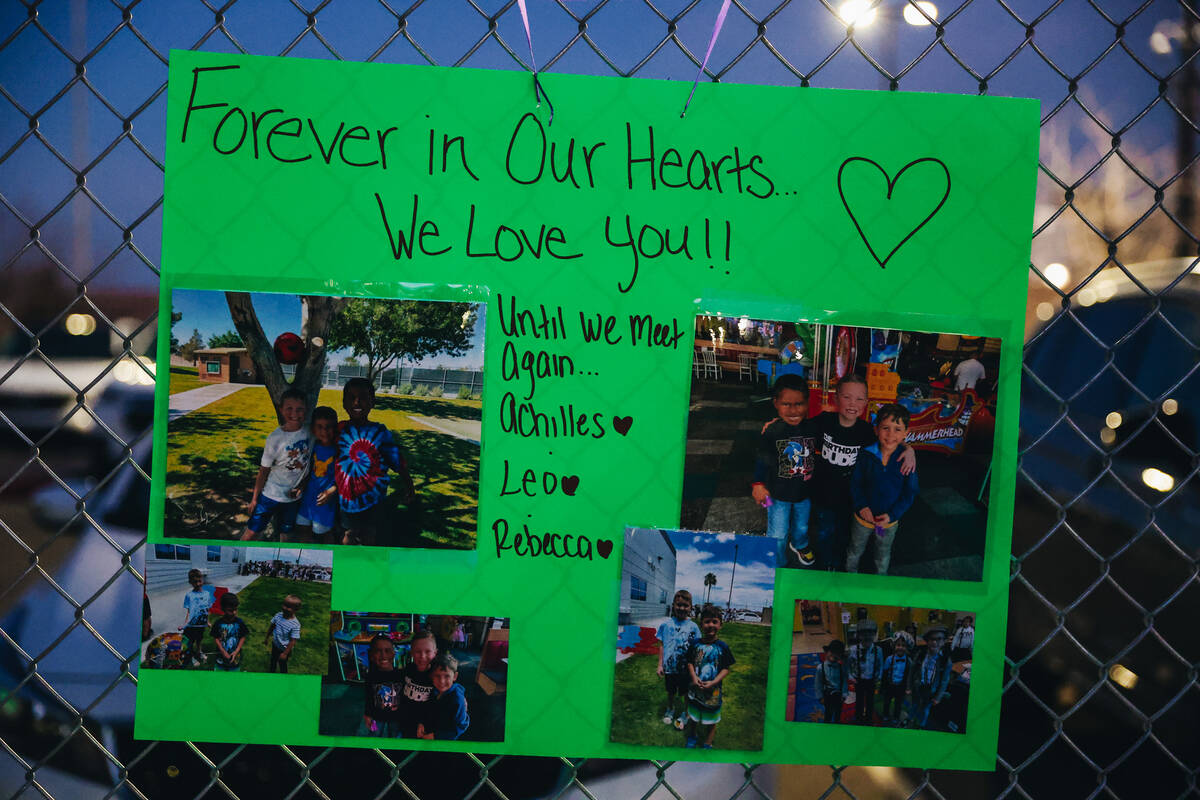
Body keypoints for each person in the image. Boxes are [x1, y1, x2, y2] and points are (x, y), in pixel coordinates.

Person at [808, 375, 915, 570]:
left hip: (852, 499)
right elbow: (798, 428)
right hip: (824, 494)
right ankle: (826, 565)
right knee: (825, 532)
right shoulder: (824, 421)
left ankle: (842, 563)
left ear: (866, 403)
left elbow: (890, 438)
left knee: (846, 534)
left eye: (859, 399)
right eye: (847, 397)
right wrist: (776, 423)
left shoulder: (866, 431)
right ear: (836, 398)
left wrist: (909, 449)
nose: (852, 403)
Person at [334, 378, 416, 546]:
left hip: (374, 499)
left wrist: (409, 486)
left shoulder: (380, 432)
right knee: (348, 534)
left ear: (373, 402)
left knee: (369, 534)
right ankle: (348, 565)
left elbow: (397, 461)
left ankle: (369, 566)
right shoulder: (339, 429)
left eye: (363, 397)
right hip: (347, 498)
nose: (357, 401)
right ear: (343, 403)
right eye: (351, 397)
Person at [752, 374, 817, 567]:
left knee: (802, 526)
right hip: (776, 494)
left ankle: (799, 544)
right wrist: (758, 484)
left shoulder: (814, 427)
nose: (793, 410)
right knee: (777, 533)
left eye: (799, 404)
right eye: (786, 404)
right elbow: (762, 459)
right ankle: (777, 561)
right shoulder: (772, 431)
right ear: (776, 403)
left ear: (807, 403)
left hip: (804, 493)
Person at [846, 403, 919, 575]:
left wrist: (893, 515)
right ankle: (849, 579)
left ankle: (880, 581)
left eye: (897, 429)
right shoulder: (865, 455)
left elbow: (910, 493)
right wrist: (861, 506)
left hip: (887, 523)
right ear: (876, 430)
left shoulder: (907, 461)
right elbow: (855, 483)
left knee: (882, 554)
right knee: (855, 550)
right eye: (885, 428)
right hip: (862, 520)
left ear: (906, 433)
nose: (891, 434)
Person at [240, 388, 312, 542]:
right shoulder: (275, 438)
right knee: (252, 532)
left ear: (306, 409)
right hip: (269, 496)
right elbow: (263, 471)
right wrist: (254, 499)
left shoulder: (311, 432)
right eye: (289, 409)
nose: (295, 413)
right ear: (281, 410)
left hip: (292, 500)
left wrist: (302, 487)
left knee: (286, 536)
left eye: (300, 409)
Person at [684, 605, 735, 749]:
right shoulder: (695, 644)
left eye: (714, 621)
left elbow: (726, 669)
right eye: (707, 621)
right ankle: (692, 736)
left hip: (713, 692)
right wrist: (694, 677)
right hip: (695, 689)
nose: (710, 625)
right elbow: (689, 662)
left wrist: (714, 682)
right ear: (701, 624)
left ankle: (708, 743)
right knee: (693, 716)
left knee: (711, 720)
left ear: (720, 625)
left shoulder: (723, 647)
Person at [656, 590, 701, 730]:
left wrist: (696, 669)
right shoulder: (666, 625)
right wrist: (660, 665)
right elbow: (662, 645)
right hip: (669, 667)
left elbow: (697, 649)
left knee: (686, 692)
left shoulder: (693, 627)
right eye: (679, 605)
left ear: (690, 607)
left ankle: (686, 714)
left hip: (685, 669)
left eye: (685, 605)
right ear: (673, 605)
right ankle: (670, 710)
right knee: (670, 691)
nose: (682, 608)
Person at [295, 405, 339, 544]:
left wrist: (331, 491)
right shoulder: (313, 446)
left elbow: (344, 479)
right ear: (313, 429)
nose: (324, 431)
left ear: (335, 428)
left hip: (325, 501)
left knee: (320, 534)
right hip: (309, 497)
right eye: (319, 427)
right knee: (301, 527)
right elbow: (309, 470)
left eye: (328, 427)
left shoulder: (338, 451)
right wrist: (302, 486)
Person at [417, 653, 470, 741]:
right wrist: (421, 723)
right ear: (431, 676)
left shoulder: (457, 700)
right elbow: (428, 710)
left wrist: (436, 736)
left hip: (445, 742)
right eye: (437, 676)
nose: (442, 681)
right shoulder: (434, 690)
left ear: (455, 676)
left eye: (447, 676)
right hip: (430, 733)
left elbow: (460, 726)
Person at [911, 626, 954, 729]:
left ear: (944, 642)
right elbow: (912, 671)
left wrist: (938, 697)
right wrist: (909, 687)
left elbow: (944, 681)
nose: (935, 642)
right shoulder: (921, 654)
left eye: (939, 639)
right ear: (927, 641)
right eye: (932, 639)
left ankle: (921, 725)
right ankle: (911, 720)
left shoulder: (945, 661)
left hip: (931, 690)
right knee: (915, 705)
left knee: (925, 709)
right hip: (918, 686)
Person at [361, 634, 404, 737]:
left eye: (387, 650)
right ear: (371, 656)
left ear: (393, 654)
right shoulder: (370, 676)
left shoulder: (401, 675)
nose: (383, 655)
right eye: (378, 651)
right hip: (376, 717)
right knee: (374, 735)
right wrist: (367, 714)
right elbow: (369, 697)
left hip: (396, 717)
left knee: (394, 737)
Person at [398, 630, 438, 737]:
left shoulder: (438, 676)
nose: (422, 656)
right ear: (411, 652)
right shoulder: (409, 668)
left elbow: (439, 704)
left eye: (428, 651)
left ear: (435, 653)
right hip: (404, 719)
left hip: (423, 726)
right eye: (418, 651)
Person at [848, 627, 884, 724]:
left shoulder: (878, 650)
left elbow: (881, 665)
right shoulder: (853, 650)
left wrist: (879, 677)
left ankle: (868, 718)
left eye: (871, 634)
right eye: (864, 635)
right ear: (859, 635)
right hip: (858, 680)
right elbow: (848, 665)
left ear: (874, 635)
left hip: (872, 680)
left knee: (870, 700)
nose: (867, 637)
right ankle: (858, 717)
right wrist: (851, 677)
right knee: (859, 700)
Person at [180, 568, 213, 667]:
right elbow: (189, 611)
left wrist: (208, 621)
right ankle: (191, 657)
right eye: (195, 582)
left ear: (202, 579)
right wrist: (185, 623)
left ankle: (199, 652)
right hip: (192, 625)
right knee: (189, 643)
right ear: (190, 582)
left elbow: (207, 610)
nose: (198, 584)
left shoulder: (207, 594)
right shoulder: (189, 595)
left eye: (199, 581)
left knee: (199, 640)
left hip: (201, 624)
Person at [210, 592, 249, 672]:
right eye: (230, 610)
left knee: (234, 678)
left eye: (235, 609)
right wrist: (223, 651)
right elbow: (216, 637)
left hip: (235, 657)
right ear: (223, 609)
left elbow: (243, 636)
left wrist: (236, 651)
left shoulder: (239, 622)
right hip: (220, 656)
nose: (234, 612)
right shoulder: (218, 623)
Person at [264, 594, 302, 673]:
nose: (284, 608)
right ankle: (271, 673)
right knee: (273, 660)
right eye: (284, 605)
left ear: (296, 609)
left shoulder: (295, 624)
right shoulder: (278, 615)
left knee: (282, 664)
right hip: (275, 645)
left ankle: (284, 677)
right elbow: (272, 626)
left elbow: (293, 641)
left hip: (285, 649)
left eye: (288, 607)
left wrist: (285, 654)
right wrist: (267, 638)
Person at [880, 636, 913, 724]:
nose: (900, 647)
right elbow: (885, 673)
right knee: (887, 702)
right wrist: (883, 686)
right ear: (894, 646)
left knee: (898, 704)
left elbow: (909, 676)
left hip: (901, 686)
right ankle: (886, 715)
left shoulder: (909, 661)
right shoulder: (889, 659)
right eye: (898, 645)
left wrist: (908, 688)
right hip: (890, 685)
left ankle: (896, 717)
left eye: (903, 645)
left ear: (907, 647)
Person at [816, 639, 849, 723]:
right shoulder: (820, 668)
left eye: (837, 654)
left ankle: (837, 724)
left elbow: (845, 680)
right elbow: (818, 683)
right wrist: (820, 696)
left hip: (839, 694)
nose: (833, 655)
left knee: (838, 713)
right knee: (828, 713)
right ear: (827, 652)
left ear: (840, 656)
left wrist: (844, 693)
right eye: (832, 652)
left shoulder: (842, 668)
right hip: (827, 695)